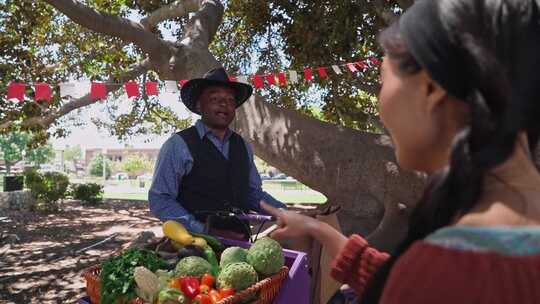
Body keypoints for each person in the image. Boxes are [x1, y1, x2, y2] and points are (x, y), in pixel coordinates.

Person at [262, 0, 540, 303]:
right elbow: (396, 279)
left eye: (383, 81)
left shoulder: (449, 269)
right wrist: (316, 228)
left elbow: (423, 282)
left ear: (431, 88)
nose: (381, 107)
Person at [149, 67, 286, 238]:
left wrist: (283, 211)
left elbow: (252, 193)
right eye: (215, 98)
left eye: (230, 99)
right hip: (193, 248)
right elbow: (160, 199)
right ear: (200, 105)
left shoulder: (243, 146)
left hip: (241, 245)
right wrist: (204, 230)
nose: (224, 104)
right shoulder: (178, 145)